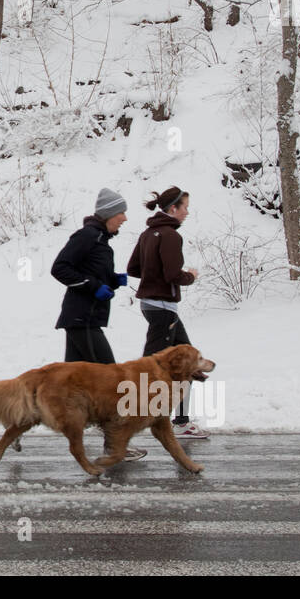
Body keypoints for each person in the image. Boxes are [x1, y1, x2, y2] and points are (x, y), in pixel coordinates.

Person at [51, 187, 146, 461]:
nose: (124, 219)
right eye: (121, 213)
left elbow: (86, 270)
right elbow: (60, 268)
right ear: (108, 214)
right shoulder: (87, 236)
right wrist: (94, 287)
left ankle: (20, 421)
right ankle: (116, 446)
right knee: (112, 381)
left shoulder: (100, 240)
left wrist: (111, 279)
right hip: (84, 320)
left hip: (84, 319)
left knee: (65, 383)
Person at [126, 185, 209, 439]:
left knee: (189, 363)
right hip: (163, 308)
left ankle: (181, 422)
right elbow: (174, 275)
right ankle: (125, 421)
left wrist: (153, 275)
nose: (187, 213)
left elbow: (133, 269)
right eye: (185, 208)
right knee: (149, 367)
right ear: (173, 209)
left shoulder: (148, 233)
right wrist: (191, 276)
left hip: (152, 306)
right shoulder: (171, 236)